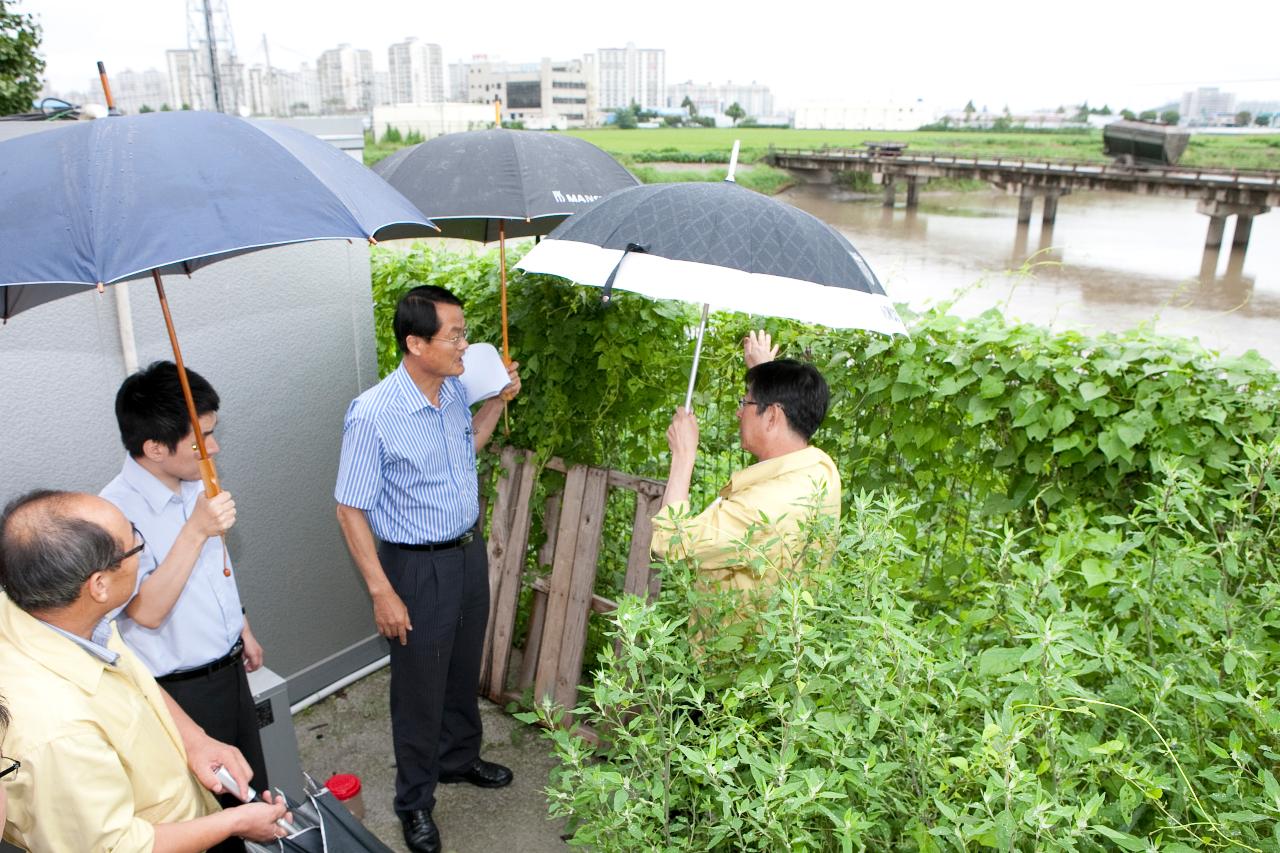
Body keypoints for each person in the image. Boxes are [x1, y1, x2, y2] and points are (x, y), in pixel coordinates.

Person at [334, 285, 520, 853]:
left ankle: (459, 759)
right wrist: (381, 591)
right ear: (415, 343)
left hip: (465, 555)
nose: (466, 344)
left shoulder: (454, 391)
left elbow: (470, 446)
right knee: (419, 690)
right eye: (455, 336)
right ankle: (414, 802)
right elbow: (349, 507)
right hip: (415, 569)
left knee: (461, 670)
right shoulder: (374, 413)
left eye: (465, 331)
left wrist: (496, 402)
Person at [0, 490, 288, 852]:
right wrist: (235, 821)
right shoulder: (57, 735)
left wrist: (195, 740)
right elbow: (117, 847)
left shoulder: (60, 615)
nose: (142, 545)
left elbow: (128, 673)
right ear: (99, 585)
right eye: (135, 544)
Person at [99, 361, 269, 839]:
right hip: (180, 692)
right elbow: (146, 612)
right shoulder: (113, 515)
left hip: (230, 670)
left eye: (212, 433)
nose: (213, 448)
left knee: (252, 793)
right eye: (200, 440)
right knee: (209, 819)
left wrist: (243, 628)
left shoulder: (196, 482)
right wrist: (196, 530)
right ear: (153, 447)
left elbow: (217, 572)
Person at [651, 331, 842, 593]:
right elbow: (778, 410)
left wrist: (683, 456)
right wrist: (765, 374)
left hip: (733, 633)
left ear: (772, 416)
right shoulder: (821, 470)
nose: (739, 412)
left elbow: (672, 545)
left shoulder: (760, 508)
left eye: (745, 402)